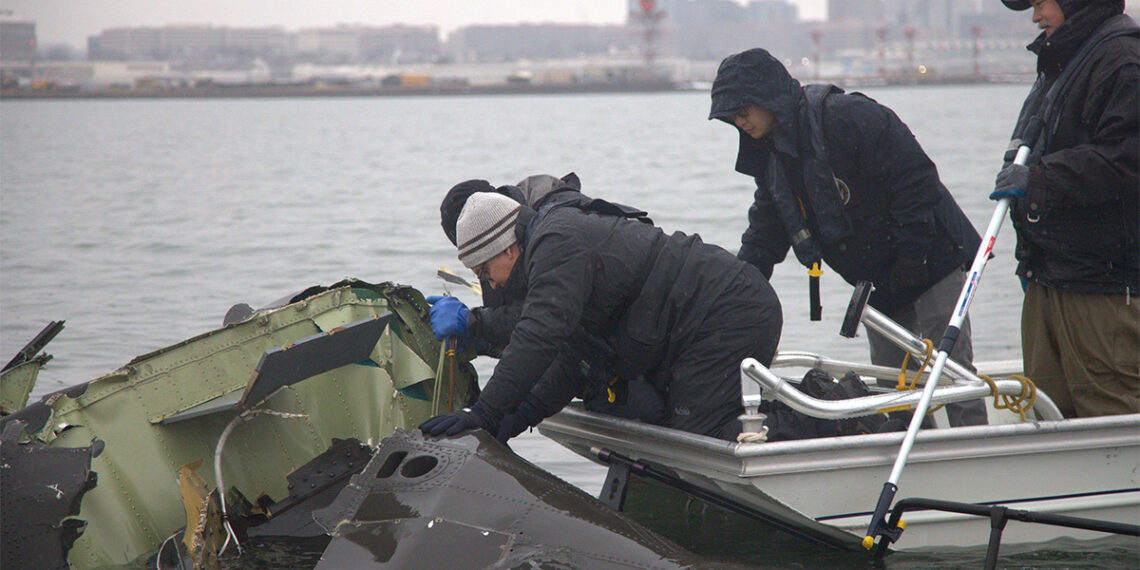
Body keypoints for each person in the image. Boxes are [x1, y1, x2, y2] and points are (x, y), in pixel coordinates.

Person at [708, 48, 988, 427]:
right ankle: (913, 451)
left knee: (953, 371)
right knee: (892, 386)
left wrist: (912, 256)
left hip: (933, 257)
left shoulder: (847, 116)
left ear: (768, 98)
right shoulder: (771, 157)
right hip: (877, 278)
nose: (739, 121)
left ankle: (974, 446)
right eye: (731, 117)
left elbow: (916, 178)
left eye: (743, 110)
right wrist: (737, 290)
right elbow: (765, 232)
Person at [419, 188, 784, 442]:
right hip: (703, 322)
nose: (491, 285)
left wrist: (484, 412)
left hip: (729, 310)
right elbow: (575, 358)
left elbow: (538, 336)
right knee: (672, 425)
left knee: (704, 436)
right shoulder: (545, 252)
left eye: (484, 272)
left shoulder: (556, 242)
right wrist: (521, 413)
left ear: (506, 249)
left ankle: (815, 419)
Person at [990, 0, 1138, 418]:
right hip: (1049, 278)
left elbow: (1129, 157)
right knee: (1046, 413)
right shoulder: (1064, 61)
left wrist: (1040, 178)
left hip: (1103, 289)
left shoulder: (1122, 60)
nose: (1035, 16)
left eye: (1041, 3)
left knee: (1111, 415)